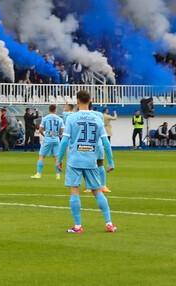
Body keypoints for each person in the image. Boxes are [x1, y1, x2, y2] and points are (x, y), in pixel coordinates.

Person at [62, 90, 116, 233]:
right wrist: (110, 161)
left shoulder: (72, 118)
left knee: (75, 192)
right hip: (91, 159)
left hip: (74, 160)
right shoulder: (97, 119)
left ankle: (78, 226)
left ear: (77, 101)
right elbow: (106, 142)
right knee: (98, 192)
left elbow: (64, 141)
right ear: (90, 100)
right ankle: (109, 224)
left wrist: (59, 159)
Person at [31, 104, 64, 180]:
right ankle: (58, 175)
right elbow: (62, 130)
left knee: (42, 156)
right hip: (56, 139)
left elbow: (40, 130)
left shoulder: (45, 118)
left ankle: (38, 174)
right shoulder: (60, 119)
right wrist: (59, 135)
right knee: (57, 157)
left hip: (48, 138)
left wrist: (44, 135)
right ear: (55, 110)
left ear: (49, 110)